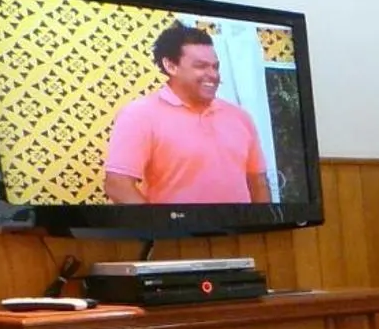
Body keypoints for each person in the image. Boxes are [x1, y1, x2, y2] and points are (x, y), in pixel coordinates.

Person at [103, 23, 270, 205]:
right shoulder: (139, 115)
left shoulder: (240, 117)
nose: (213, 75)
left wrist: (262, 222)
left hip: (241, 225)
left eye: (215, 67)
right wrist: (159, 222)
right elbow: (117, 185)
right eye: (201, 66)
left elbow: (259, 183)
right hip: (174, 225)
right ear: (170, 66)